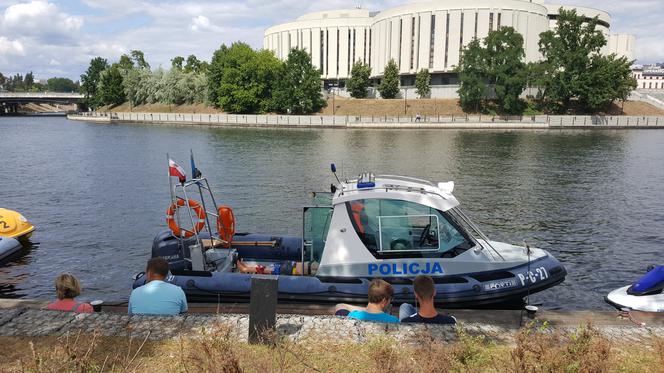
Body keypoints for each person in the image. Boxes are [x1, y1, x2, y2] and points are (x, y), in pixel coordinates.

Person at [236, 259, 318, 276]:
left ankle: (245, 269)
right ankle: (246, 268)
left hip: (288, 269)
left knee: (264, 269)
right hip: (289, 267)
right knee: (265, 268)